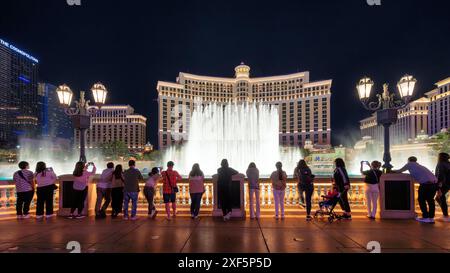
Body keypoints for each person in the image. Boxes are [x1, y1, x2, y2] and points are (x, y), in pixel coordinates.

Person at [393, 156, 438, 224]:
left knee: (421, 200)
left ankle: (425, 217)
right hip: (434, 183)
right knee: (430, 200)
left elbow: (399, 171)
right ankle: (431, 218)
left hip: (426, 184)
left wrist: (391, 171)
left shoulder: (410, 164)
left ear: (409, 160)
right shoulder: (420, 166)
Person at [435, 153, 450, 222]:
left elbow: (440, 175)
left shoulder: (440, 164)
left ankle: (446, 215)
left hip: (444, 184)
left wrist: (439, 185)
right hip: (448, 183)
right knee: (439, 198)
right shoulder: (448, 163)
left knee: (440, 198)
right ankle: (445, 214)